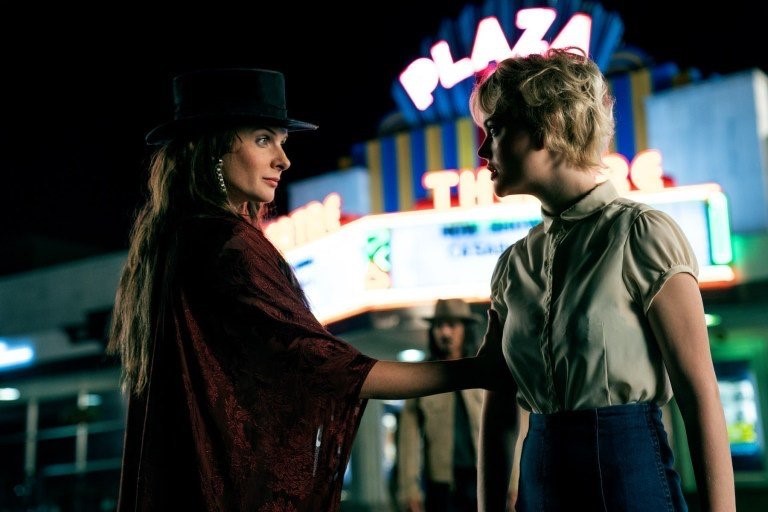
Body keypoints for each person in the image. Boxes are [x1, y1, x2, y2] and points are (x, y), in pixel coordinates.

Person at [106, 68, 508, 512]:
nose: (284, 160)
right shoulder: (227, 244)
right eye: (263, 139)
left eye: (282, 142)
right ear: (214, 146)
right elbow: (325, 366)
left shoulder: (178, 238)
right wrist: (474, 371)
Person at [469, 48, 736, 512]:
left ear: (547, 125)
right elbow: (500, 411)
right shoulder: (513, 264)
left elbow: (699, 394)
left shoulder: (643, 233)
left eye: (494, 129)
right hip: (539, 488)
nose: (482, 150)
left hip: (629, 485)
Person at [395, 298, 485, 512]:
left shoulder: (483, 372)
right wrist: (409, 489)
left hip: (483, 478)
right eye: (438, 326)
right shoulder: (421, 377)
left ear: (465, 329)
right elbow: (408, 438)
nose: (445, 332)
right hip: (440, 485)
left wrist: (513, 482)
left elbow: (507, 427)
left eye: (452, 325)